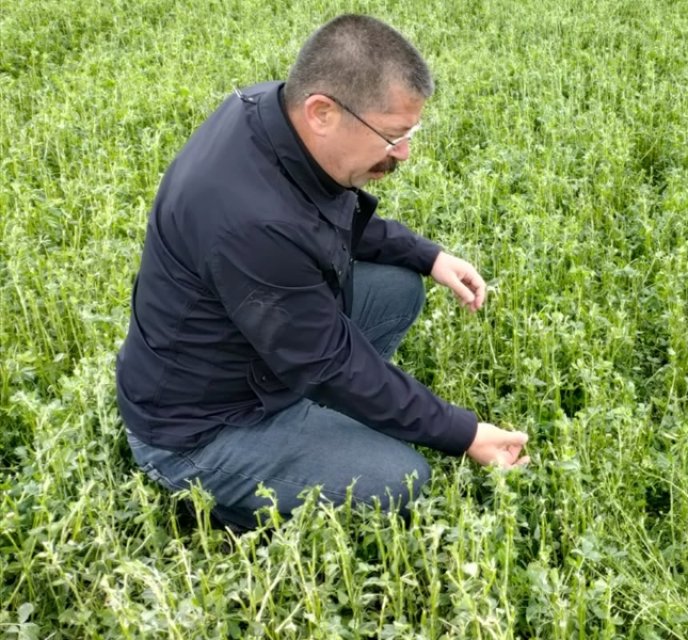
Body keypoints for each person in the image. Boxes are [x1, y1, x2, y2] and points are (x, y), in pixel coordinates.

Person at [116, 15, 529, 531]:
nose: (403, 153)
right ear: (323, 112)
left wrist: (428, 256)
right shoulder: (252, 221)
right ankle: (228, 504)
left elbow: (329, 213)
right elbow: (329, 363)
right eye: (394, 135)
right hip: (199, 429)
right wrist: (464, 433)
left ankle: (321, 424)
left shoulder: (272, 115)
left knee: (399, 287)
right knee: (401, 478)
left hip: (252, 356)